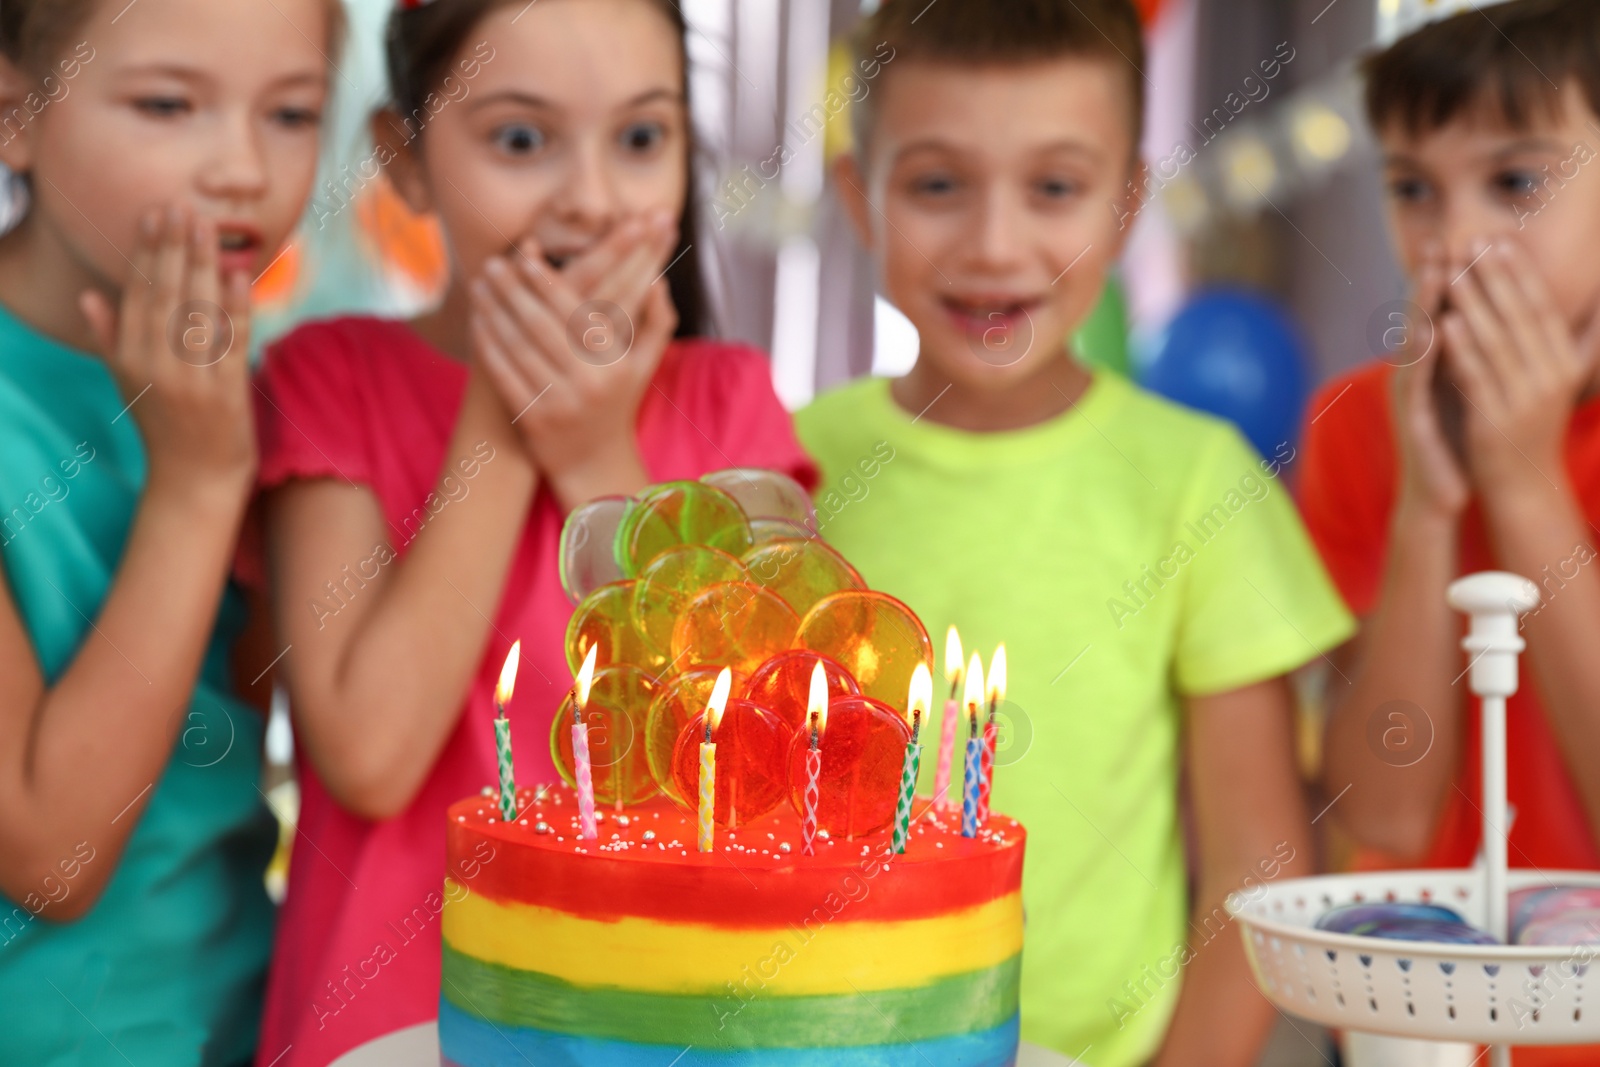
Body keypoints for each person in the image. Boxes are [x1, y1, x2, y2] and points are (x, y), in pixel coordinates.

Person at [251, 0, 815, 1062]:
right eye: (519, 140)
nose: (593, 199)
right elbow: (371, 754)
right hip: (381, 1032)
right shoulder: (328, 380)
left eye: (641, 139)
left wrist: (597, 453)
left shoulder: (728, 405)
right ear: (404, 161)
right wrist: (505, 422)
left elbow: (762, 770)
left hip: (664, 1029)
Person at [796, 1, 1355, 1064]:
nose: (996, 243)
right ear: (857, 198)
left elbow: (1256, 870)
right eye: (936, 184)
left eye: (1053, 187)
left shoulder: (1199, 487)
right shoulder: (785, 475)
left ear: (1127, 201)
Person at [0, 0, 339, 1063]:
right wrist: (198, 485)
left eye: (291, 113)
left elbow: (231, 742)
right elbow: (54, 856)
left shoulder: (226, 391)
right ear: (14, 114)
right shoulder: (208, 436)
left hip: (244, 1023)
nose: (242, 168)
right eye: (166, 104)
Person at [1301, 1, 1600, 1061]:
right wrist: (1430, 504)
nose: (1454, 238)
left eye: (1515, 182)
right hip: (1411, 1016)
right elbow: (1378, 802)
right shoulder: (1357, 426)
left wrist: (1521, 483)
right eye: (1411, 188)